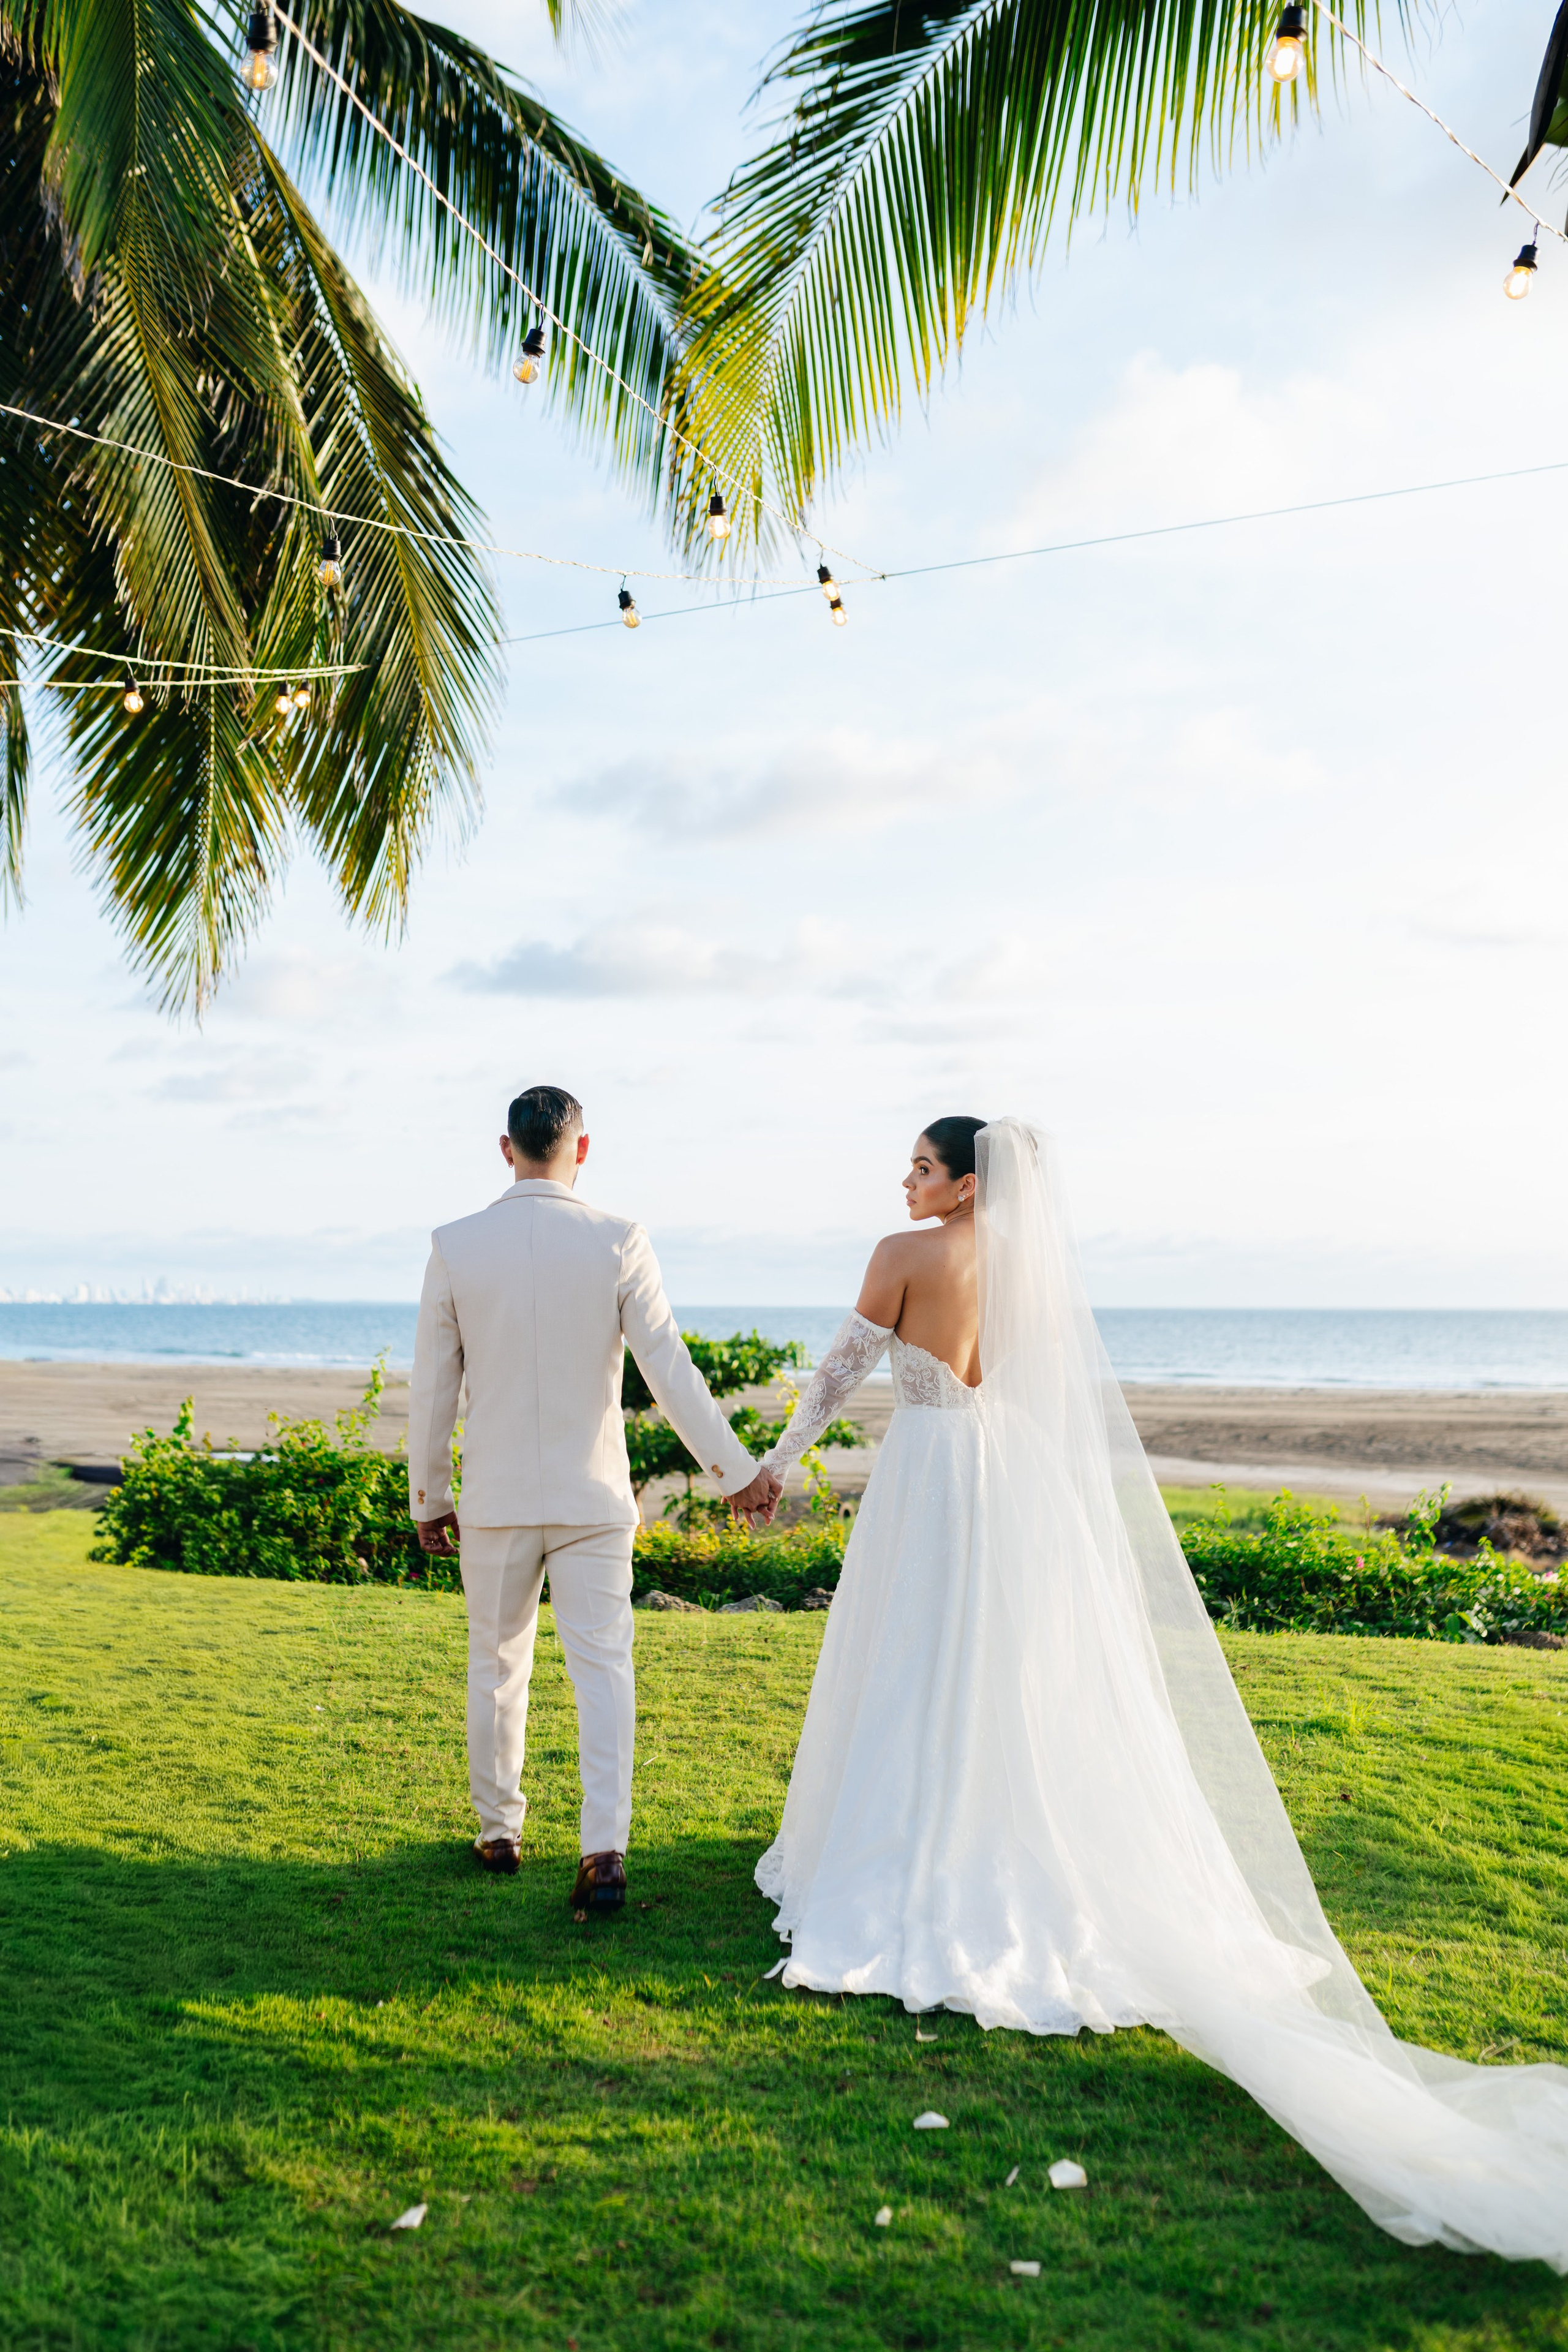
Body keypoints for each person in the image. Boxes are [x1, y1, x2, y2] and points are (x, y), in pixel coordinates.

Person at [756, 1114, 1568, 2270]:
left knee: (911, 1651)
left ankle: (909, 1835)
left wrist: (773, 1465)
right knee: (996, 1667)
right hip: (1011, 1485)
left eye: (924, 1167)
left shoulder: (903, 1254)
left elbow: (838, 1377)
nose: (907, 1180)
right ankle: (988, 1819)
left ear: (969, 1185)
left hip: (931, 1476)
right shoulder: (1034, 1270)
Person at [408, 1084, 780, 1911]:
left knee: (495, 1664)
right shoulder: (619, 1240)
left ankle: (499, 1832)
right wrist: (735, 1472)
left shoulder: (455, 1246)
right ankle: (603, 1852)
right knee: (604, 1670)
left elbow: (433, 1386)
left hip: (498, 1498)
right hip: (594, 1497)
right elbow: (669, 1369)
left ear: (506, 1148)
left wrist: (429, 1496)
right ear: (582, 1149)